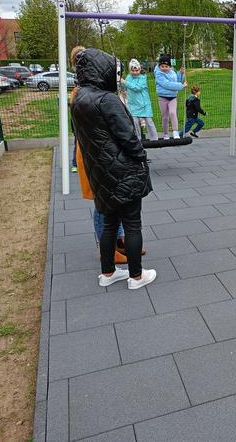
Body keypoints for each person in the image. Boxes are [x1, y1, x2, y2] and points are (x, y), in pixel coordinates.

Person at [71, 47, 156, 290]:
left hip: (98, 171)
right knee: (132, 222)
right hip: (122, 170)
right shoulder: (107, 99)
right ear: (103, 69)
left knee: (109, 223)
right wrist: (141, 156)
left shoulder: (78, 98)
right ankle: (136, 277)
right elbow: (128, 137)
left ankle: (108, 273)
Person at [122, 59, 158, 141]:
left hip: (144, 104)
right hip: (133, 104)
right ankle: (138, 139)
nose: (135, 72)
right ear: (130, 70)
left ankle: (154, 139)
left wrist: (124, 82)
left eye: (136, 70)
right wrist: (121, 85)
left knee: (149, 122)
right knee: (135, 122)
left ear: (140, 69)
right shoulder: (128, 77)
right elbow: (125, 87)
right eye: (132, 70)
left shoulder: (143, 77)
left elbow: (137, 88)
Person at [154, 54, 187, 139]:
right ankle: (166, 134)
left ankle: (175, 132)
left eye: (166, 66)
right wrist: (181, 86)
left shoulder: (172, 72)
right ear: (159, 66)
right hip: (163, 97)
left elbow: (177, 81)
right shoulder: (159, 74)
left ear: (169, 66)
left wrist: (180, 73)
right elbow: (167, 85)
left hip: (172, 97)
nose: (164, 68)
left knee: (173, 113)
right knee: (165, 117)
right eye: (162, 66)